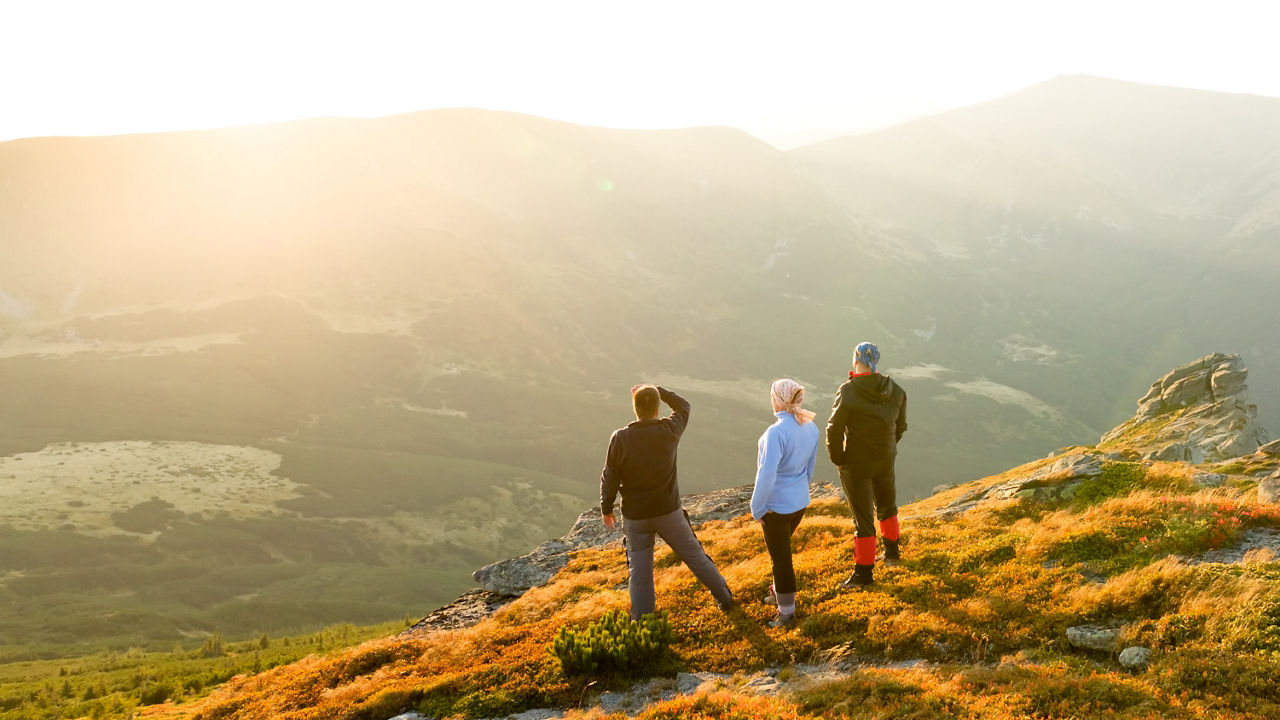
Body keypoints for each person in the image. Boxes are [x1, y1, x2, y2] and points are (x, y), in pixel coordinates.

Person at [599, 385, 735, 619]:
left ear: (635, 408)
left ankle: (643, 625)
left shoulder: (620, 438)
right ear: (657, 408)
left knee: (640, 574)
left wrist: (606, 508)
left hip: (635, 518)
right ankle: (726, 599)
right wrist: (657, 389)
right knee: (695, 557)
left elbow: (610, 476)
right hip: (669, 513)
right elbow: (684, 406)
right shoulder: (668, 430)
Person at [825, 342, 908, 588]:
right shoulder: (897, 391)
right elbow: (900, 426)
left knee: (863, 519)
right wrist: (888, 448)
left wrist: (839, 458)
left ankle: (864, 574)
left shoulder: (849, 391)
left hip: (857, 463)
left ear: (856, 360)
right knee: (887, 506)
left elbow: (834, 428)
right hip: (885, 458)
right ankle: (892, 554)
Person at [751, 378, 820, 628]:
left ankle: (787, 614)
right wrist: (800, 492)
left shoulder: (775, 433)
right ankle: (777, 592)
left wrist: (757, 507)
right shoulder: (810, 427)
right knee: (780, 551)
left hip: (776, 507)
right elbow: (809, 468)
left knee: (781, 558)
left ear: (778, 400)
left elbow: (767, 474)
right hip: (799, 502)